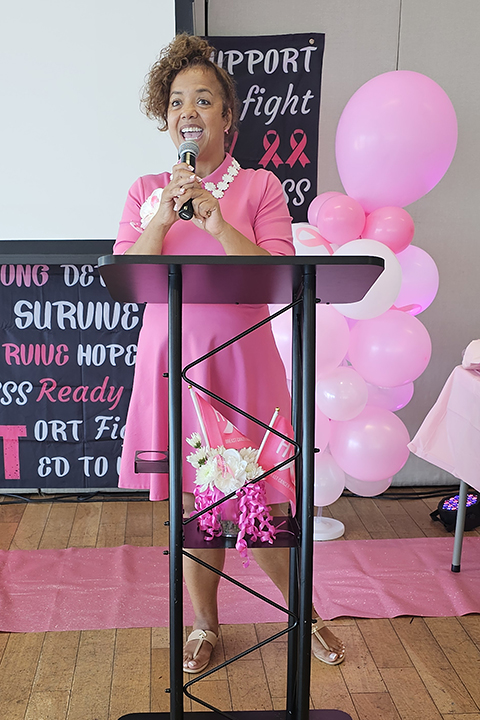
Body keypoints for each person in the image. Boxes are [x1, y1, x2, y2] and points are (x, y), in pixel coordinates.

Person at [113, 33, 345, 673]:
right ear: (165, 118)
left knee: (261, 497)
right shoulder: (146, 190)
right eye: (176, 101)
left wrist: (216, 220)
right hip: (172, 360)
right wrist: (164, 216)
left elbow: (277, 273)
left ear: (226, 116)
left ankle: (305, 614)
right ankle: (204, 627)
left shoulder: (261, 186)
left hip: (242, 361)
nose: (187, 111)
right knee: (196, 503)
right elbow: (129, 275)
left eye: (203, 99)